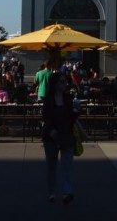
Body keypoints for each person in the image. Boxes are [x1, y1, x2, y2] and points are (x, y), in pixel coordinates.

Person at [42, 71, 84, 206]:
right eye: (61, 82)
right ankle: (51, 192)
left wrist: (77, 112)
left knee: (67, 166)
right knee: (51, 166)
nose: (64, 84)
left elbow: (72, 117)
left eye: (64, 81)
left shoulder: (68, 98)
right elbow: (46, 118)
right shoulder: (48, 100)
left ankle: (68, 192)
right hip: (51, 136)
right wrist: (51, 130)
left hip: (66, 134)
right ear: (55, 84)